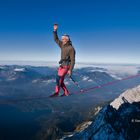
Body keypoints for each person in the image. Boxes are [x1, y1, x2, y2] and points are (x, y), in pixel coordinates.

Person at [50, 24, 76, 97]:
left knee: (58, 79)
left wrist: (70, 70)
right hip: (62, 66)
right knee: (60, 81)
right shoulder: (62, 45)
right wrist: (55, 30)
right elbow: (55, 39)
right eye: (62, 39)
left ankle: (56, 93)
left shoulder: (71, 48)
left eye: (63, 39)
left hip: (66, 66)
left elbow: (73, 60)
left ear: (67, 39)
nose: (62, 40)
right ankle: (66, 92)